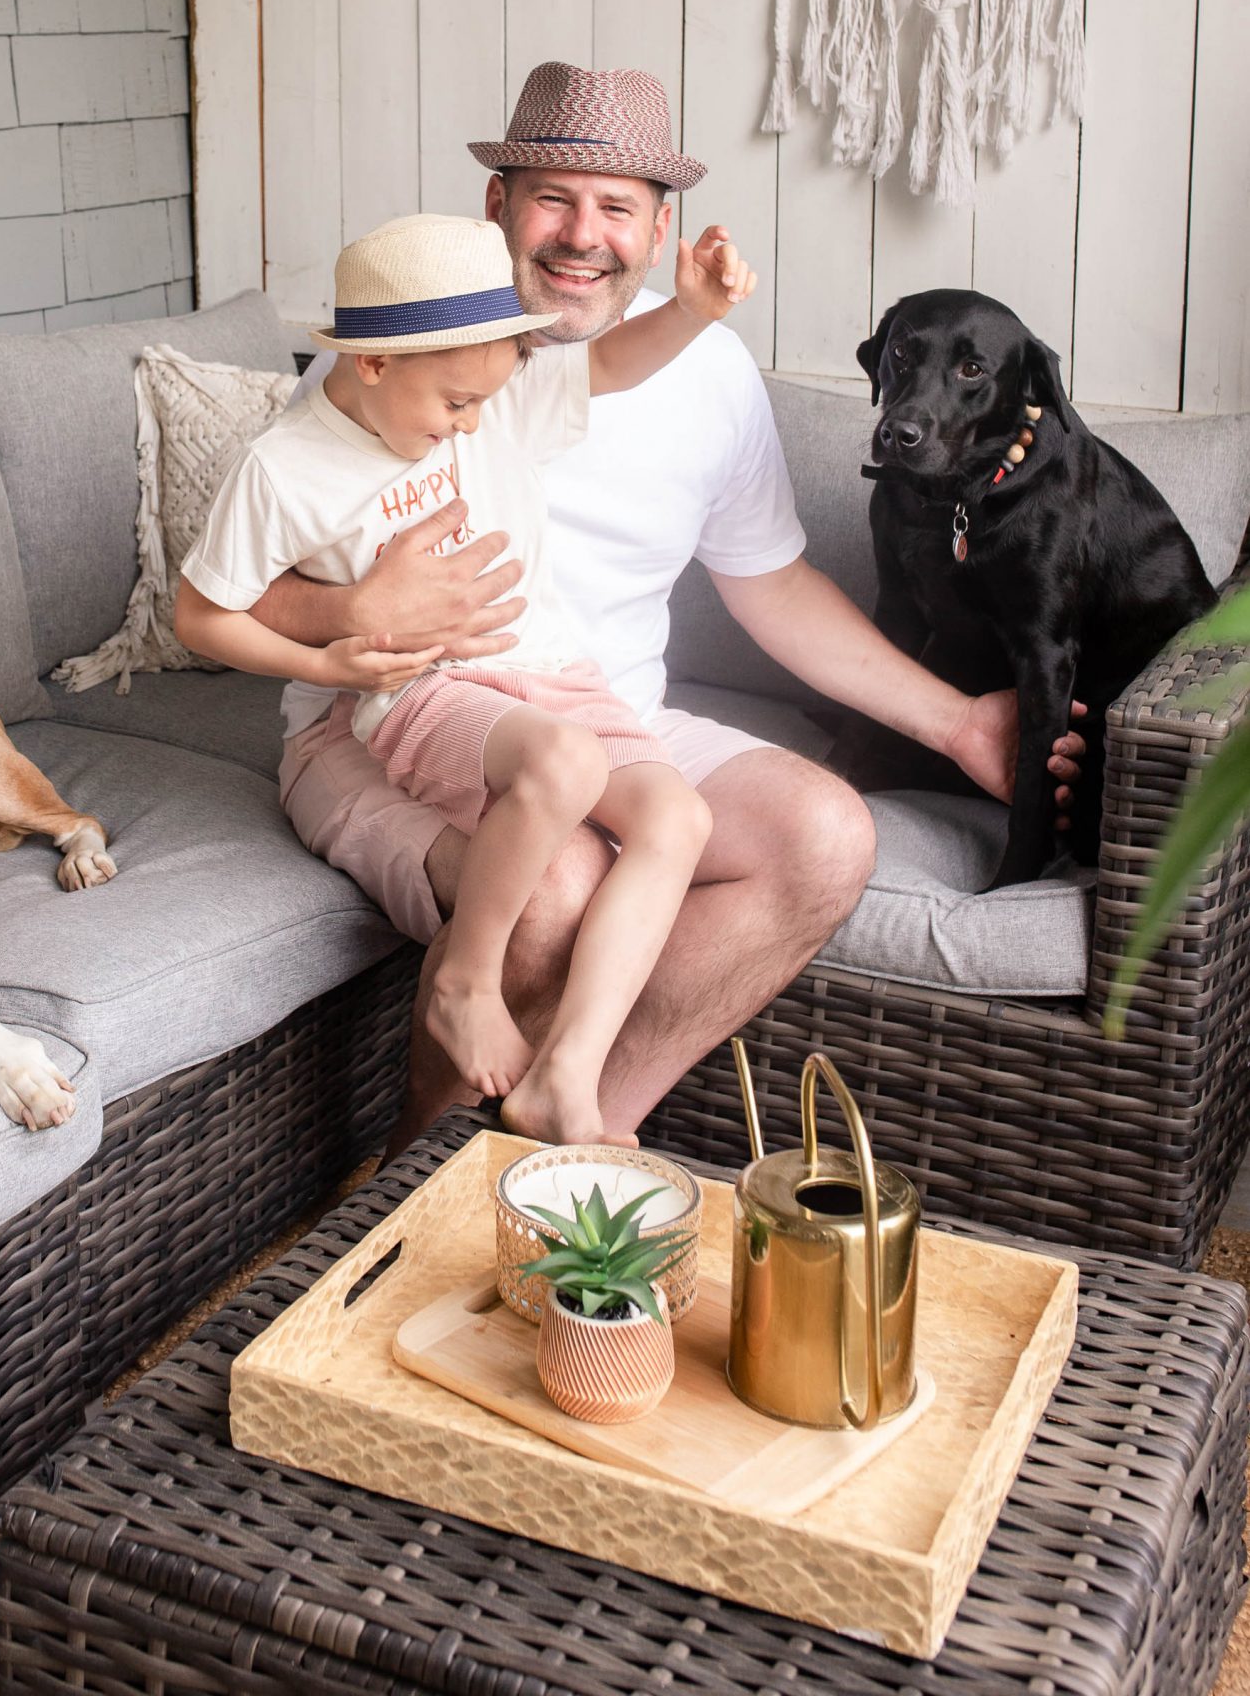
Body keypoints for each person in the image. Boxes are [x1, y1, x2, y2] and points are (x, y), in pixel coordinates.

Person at [256, 64, 1086, 1154]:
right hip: (376, 722)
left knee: (829, 834)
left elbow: (774, 583)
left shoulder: (705, 371)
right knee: (553, 882)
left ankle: (582, 1126)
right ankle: (416, 1177)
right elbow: (252, 588)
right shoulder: (398, 351)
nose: (580, 236)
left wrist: (960, 722)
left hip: (604, 720)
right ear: (498, 206)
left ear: (659, 231)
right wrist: (358, 607)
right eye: (553, 198)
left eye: (616, 208)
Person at [172, 210, 758, 1144]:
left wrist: (691, 311)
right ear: (370, 364)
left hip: (549, 668)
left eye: (486, 400)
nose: (473, 425)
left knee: (677, 817)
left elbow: (608, 365)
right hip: (423, 689)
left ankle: (566, 1073)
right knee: (561, 771)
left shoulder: (489, 389)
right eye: (453, 406)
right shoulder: (286, 469)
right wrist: (323, 660)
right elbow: (200, 614)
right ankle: (462, 979)